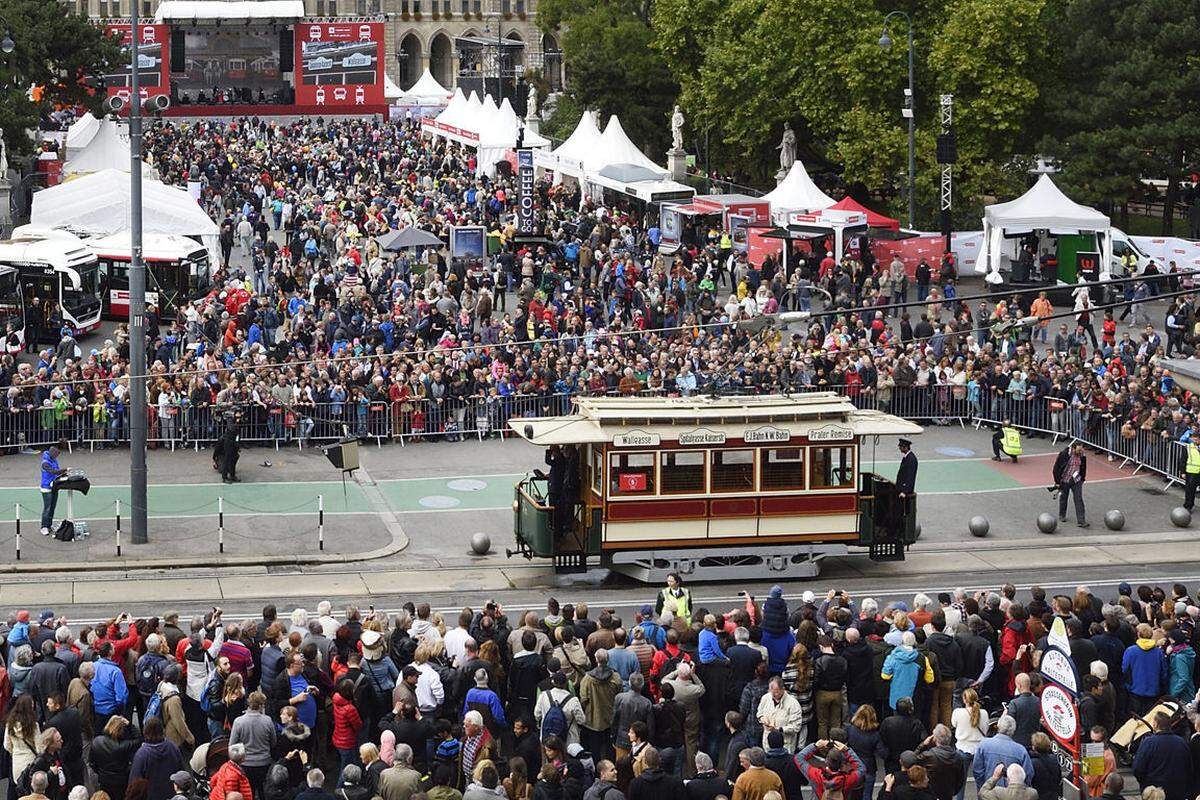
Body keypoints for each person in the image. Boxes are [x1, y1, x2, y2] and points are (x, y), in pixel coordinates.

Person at [1132, 712, 1192, 800]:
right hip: (1177, 791)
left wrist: (1145, 784)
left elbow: (1137, 768)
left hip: (1154, 792)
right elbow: (1189, 768)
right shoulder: (1182, 743)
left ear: (1155, 724)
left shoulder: (1148, 743)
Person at [971, 716, 1033, 789]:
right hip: (1011, 793)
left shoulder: (984, 744)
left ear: (998, 726)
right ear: (1014, 730)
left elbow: (977, 771)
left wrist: (982, 787)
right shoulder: (1021, 750)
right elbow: (1027, 775)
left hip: (989, 791)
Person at [794, 740, 865, 800]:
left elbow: (798, 758)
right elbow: (861, 768)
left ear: (826, 761)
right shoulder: (847, 779)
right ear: (841, 764)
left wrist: (815, 746)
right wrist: (846, 750)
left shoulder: (816, 775)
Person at [1052, 441, 1089, 528]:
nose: (1080, 452)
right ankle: (1062, 515)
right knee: (1064, 497)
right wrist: (1057, 482)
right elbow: (1056, 468)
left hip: (1076, 480)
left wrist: (1082, 478)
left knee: (1079, 499)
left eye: (1081, 450)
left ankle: (1081, 521)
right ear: (1073, 448)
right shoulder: (1064, 454)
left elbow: (1083, 468)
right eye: (1078, 450)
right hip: (1065, 480)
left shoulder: (1083, 456)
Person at [39, 441, 66, 536]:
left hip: (54, 486)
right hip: (46, 489)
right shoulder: (45, 463)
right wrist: (65, 470)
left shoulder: (54, 460)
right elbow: (54, 471)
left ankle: (49, 525)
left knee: (52, 508)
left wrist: (63, 474)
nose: (57, 457)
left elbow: (57, 472)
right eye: (56, 455)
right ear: (52, 454)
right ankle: (44, 527)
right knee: (47, 508)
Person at [1184, 433, 1200, 511]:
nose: (1194, 441)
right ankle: (1188, 506)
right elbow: (1183, 459)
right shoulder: (1189, 447)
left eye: (1196, 439)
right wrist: (1182, 471)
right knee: (1190, 490)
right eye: (1193, 439)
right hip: (1192, 472)